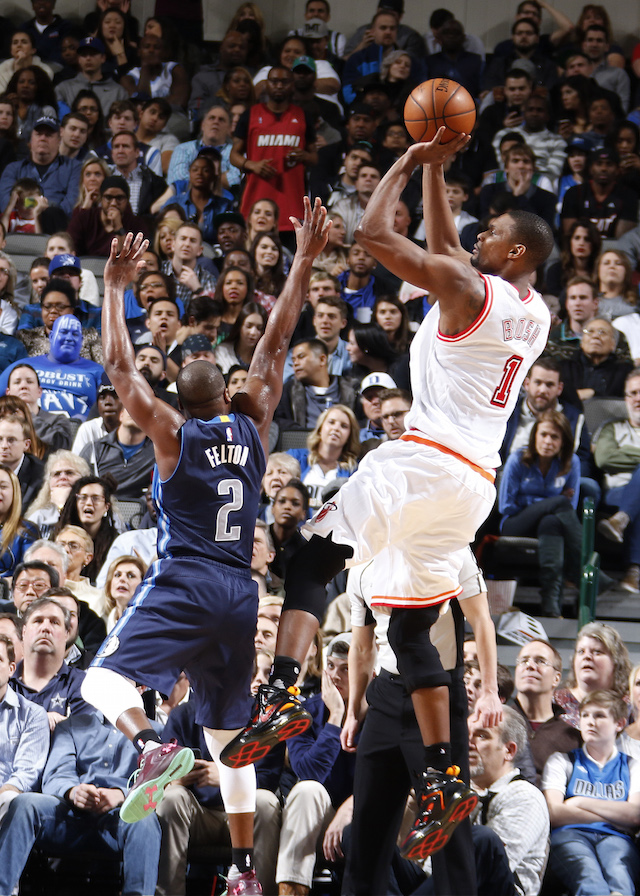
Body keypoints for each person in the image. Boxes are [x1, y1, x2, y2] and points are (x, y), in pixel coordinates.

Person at [221, 128, 553, 866]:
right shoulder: (531, 309)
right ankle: (443, 781)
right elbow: (445, 244)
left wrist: (404, 161)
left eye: (493, 231)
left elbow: (374, 233)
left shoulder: (468, 288)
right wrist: (438, 172)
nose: (478, 232)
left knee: (309, 557)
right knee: (407, 631)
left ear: (517, 252)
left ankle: (279, 695)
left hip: (422, 465)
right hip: (472, 489)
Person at [80, 203, 330, 894]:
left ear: (179, 404)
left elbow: (119, 368)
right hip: (241, 593)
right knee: (229, 742)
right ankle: (247, 873)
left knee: (101, 679)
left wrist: (113, 288)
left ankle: (149, 746)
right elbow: (276, 341)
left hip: (186, 577)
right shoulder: (253, 426)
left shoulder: (170, 435)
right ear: (226, 393)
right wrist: (303, 259)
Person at [543, 689, 640, 896]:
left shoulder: (632, 766)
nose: (589, 721)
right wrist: (616, 817)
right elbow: (554, 813)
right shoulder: (561, 761)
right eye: (585, 715)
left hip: (617, 838)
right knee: (589, 878)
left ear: (619, 724)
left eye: (599, 715)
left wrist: (579, 802)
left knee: (620, 876)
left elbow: (635, 814)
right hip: (570, 835)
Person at [498, 410, 584, 617]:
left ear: (563, 442)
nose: (547, 441)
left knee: (551, 521)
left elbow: (569, 508)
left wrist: (538, 504)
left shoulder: (571, 462)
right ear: (534, 436)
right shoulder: (518, 459)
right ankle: (586, 572)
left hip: (549, 523)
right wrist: (549, 501)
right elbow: (506, 506)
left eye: (554, 437)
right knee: (558, 504)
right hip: (515, 523)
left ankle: (551, 605)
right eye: (543, 434)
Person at [510, 639, 581, 783]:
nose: (530, 666)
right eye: (523, 661)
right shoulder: (497, 722)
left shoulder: (572, 737)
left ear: (556, 678)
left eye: (540, 661)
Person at [595, 368, 640, 592]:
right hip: (615, 493)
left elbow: (616, 457)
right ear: (625, 398)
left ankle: (621, 520)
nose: (638, 398)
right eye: (633, 393)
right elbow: (604, 458)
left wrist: (627, 454)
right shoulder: (611, 428)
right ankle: (633, 573)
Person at [0, 632, 49, 827]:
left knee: (12, 800)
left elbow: (26, 774)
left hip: (4, 800)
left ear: (11, 668)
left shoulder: (32, 715)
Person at [554, 621, 631, 729]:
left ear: (616, 661)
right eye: (581, 651)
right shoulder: (554, 703)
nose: (587, 656)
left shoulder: (630, 706)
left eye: (597, 652)